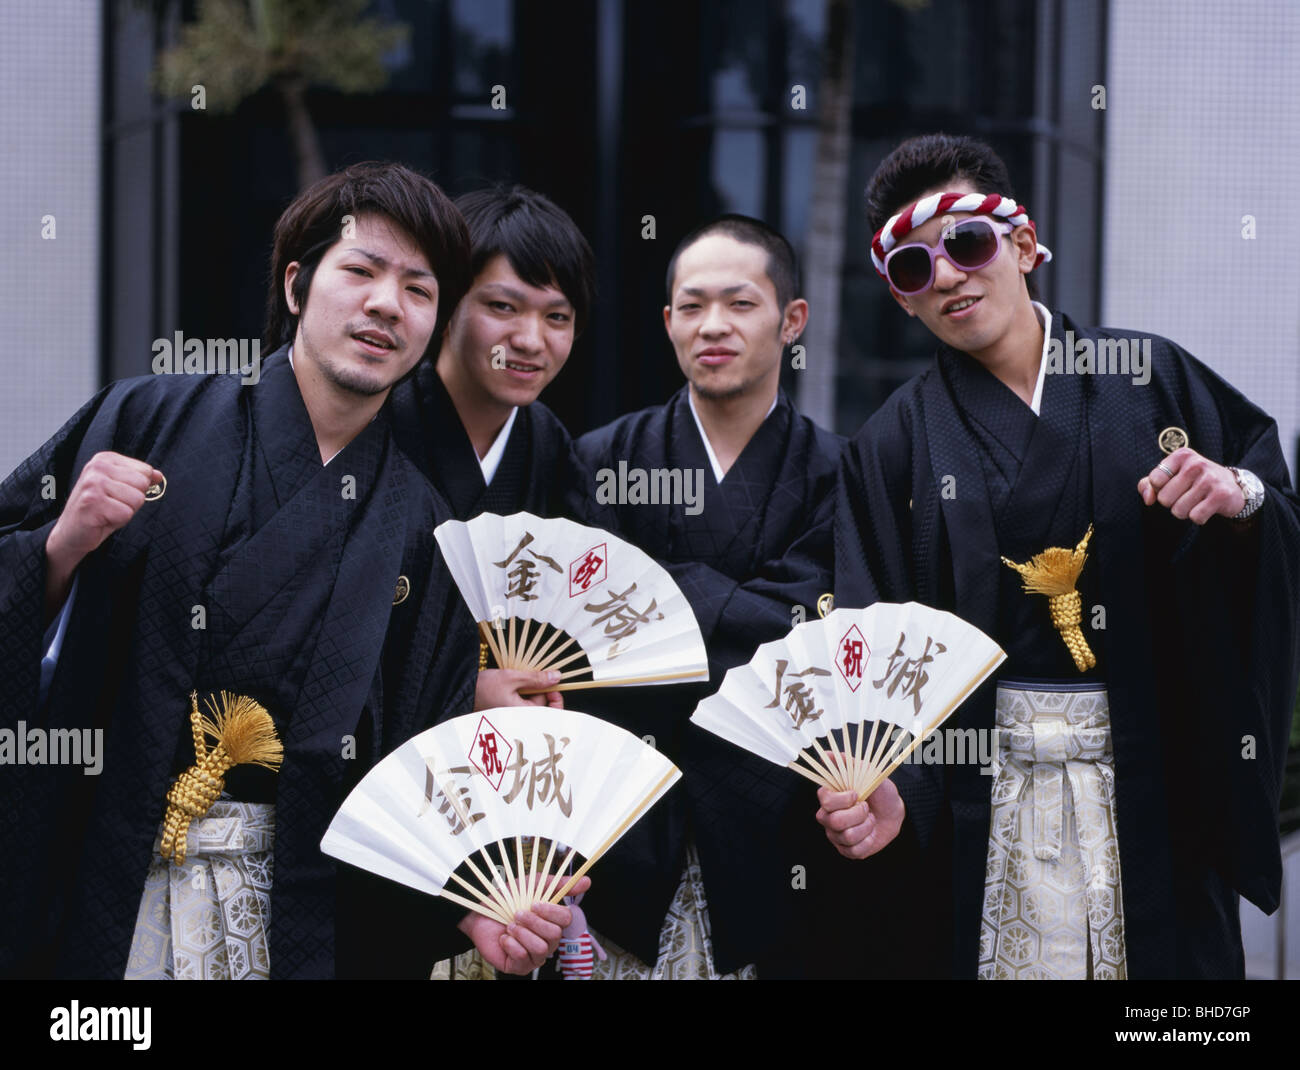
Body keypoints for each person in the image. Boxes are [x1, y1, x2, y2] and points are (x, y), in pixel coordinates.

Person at [0, 162, 584, 980]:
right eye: (361, 271)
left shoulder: (422, 528)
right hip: (105, 865)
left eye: (420, 290)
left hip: (296, 908)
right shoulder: (145, 417)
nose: (387, 304)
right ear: (297, 283)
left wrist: (472, 905)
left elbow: (422, 747)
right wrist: (61, 547)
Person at [822, 133, 1300, 978]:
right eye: (912, 267)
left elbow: (1274, 506)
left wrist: (1240, 501)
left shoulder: (1150, 378)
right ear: (900, 298)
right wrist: (894, 787)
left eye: (967, 243)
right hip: (981, 796)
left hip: (1152, 784)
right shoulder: (891, 444)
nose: (949, 277)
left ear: (1024, 245)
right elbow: (873, 652)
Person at [574, 215, 843, 978]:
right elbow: (588, 642)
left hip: (779, 815)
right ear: (668, 322)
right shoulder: (603, 460)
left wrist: (662, 596)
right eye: (691, 307)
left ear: (792, 321)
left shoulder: (840, 473)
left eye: (740, 304)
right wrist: (735, 618)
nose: (712, 326)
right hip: (625, 814)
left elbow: (812, 639)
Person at [390, 185, 596, 526]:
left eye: (557, 317)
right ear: (447, 305)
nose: (530, 341)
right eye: (503, 307)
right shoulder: (381, 424)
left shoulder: (548, 444)